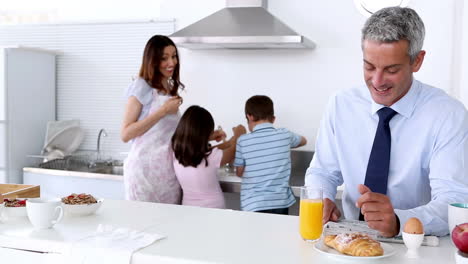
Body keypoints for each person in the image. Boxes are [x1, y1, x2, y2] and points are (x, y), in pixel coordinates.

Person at [305, 7, 468, 237]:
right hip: (352, 241)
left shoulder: (448, 114)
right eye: (369, 66)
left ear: (417, 61)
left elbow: (455, 202)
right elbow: (323, 171)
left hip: (419, 245)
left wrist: (400, 222)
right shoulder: (341, 104)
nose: (377, 81)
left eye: (391, 70)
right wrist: (322, 199)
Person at [121, 35, 184, 204]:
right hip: (143, 173)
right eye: (164, 58)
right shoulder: (141, 86)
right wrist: (163, 111)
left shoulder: (168, 88)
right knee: (142, 227)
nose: (172, 62)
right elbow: (126, 133)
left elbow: (170, 136)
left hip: (167, 174)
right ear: (153, 61)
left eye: (174, 56)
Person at [234, 95, 307, 215]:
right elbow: (304, 140)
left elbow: (239, 172)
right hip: (280, 202)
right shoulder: (285, 135)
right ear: (273, 119)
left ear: (249, 116)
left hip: (253, 203)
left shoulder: (243, 140)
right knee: (277, 233)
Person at [171, 105, 246, 209]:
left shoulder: (176, 153)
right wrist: (239, 134)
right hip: (214, 210)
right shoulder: (212, 156)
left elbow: (198, 149)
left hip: (188, 209)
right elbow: (234, 151)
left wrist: (215, 138)